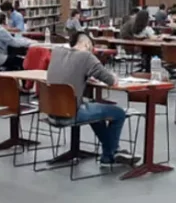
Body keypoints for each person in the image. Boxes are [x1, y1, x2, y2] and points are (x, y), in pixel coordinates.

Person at [46, 32, 138, 166]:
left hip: (51, 111)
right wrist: (113, 75)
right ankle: (110, 153)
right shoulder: (86, 56)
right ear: (87, 44)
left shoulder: (57, 52)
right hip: (70, 114)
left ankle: (111, 152)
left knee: (95, 109)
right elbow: (111, 81)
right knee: (118, 113)